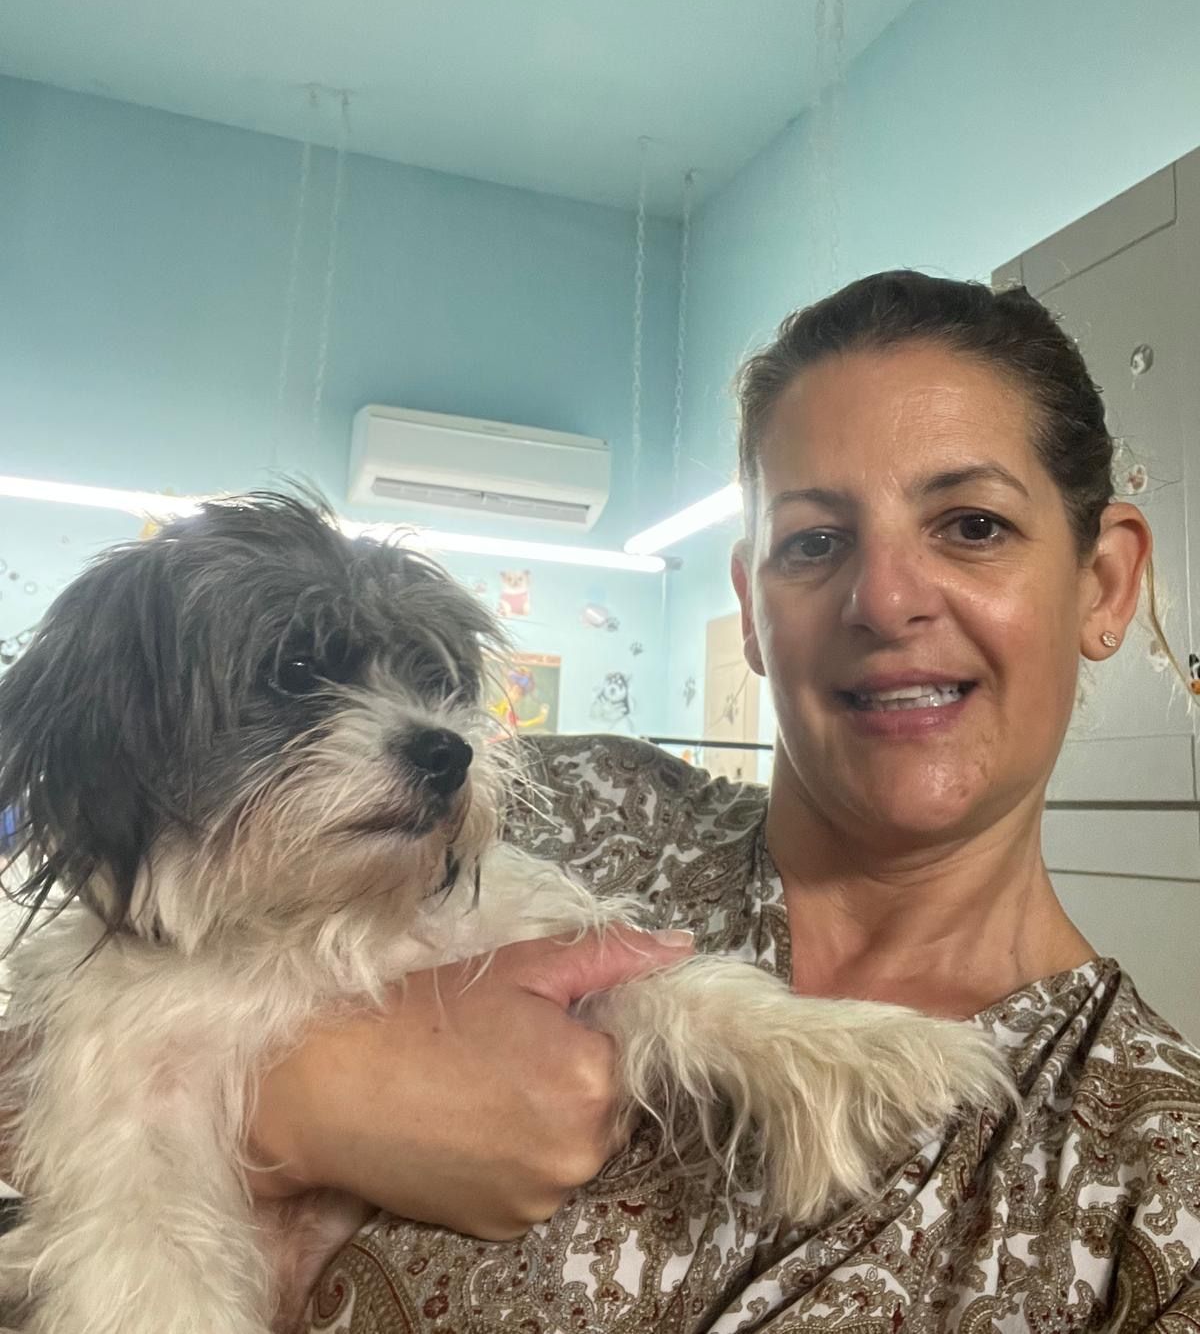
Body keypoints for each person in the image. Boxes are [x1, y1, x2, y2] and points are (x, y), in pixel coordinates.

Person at [252, 270, 1200, 1331]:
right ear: (753, 608)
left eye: (971, 526)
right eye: (813, 542)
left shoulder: (1156, 1192)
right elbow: (43, 1044)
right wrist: (299, 1101)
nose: (884, 600)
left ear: (1104, 583)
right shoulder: (540, 811)